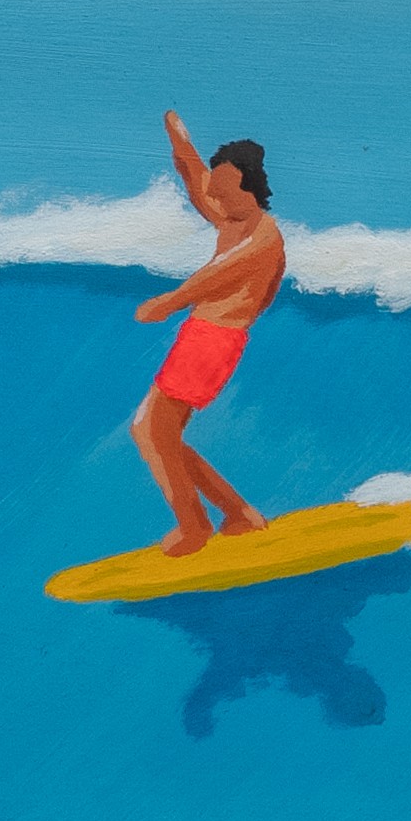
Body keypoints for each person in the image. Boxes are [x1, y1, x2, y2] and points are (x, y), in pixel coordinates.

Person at [131, 111, 286, 555]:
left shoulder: (263, 238)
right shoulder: (233, 220)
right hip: (202, 334)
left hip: (216, 339)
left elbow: (216, 276)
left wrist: (166, 303)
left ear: (248, 187)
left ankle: (195, 527)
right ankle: (238, 514)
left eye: (223, 188)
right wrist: (179, 141)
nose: (214, 196)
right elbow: (195, 176)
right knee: (161, 434)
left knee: (150, 431)